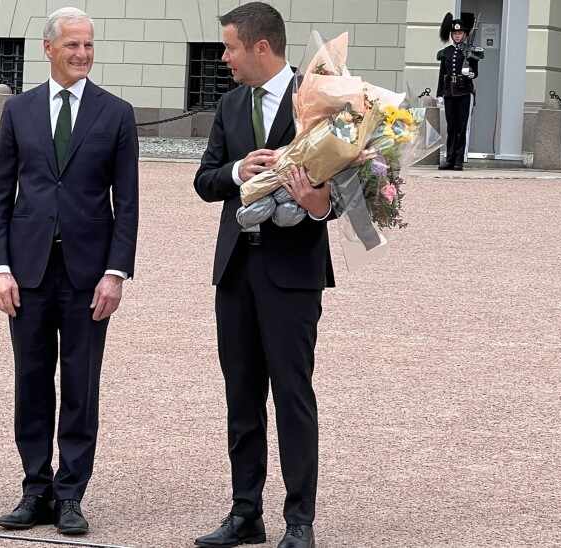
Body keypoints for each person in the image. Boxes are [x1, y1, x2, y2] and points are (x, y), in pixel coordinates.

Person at [0, 6, 138, 537]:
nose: (82, 54)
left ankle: (71, 492)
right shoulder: (19, 112)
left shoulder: (117, 114)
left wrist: (116, 273)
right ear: (48, 48)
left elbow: (128, 205)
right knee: (31, 381)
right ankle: (35, 487)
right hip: (27, 270)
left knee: (80, 383)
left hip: (88, 275)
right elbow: (1, 194)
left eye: (89, 45)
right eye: (72, 45)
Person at [192, 3, 336, 548]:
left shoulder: (317, 99)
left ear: (260, 47)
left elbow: (344, 194)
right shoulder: (230, 104)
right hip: (235, 269)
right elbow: (205, 181)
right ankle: (244, 512)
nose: (223, 57)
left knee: (292, 394)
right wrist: (236, 171)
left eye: (229, 47)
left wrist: (316, 202)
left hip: (292, 272)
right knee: (241, 393)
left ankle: (300, 521)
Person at [436, 12, 480, 171]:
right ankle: (450, 158)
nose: (457, 36)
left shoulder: (471, 51)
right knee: (451, 127)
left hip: (464, 92)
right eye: (455, 33)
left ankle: (459, 160)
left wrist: (471, 74)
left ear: (465, 34)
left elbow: (475, 72)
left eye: (460, 33)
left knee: (462, 127)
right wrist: (440, 93)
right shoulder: (446, 52)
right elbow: (442, 74)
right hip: (450, 92)